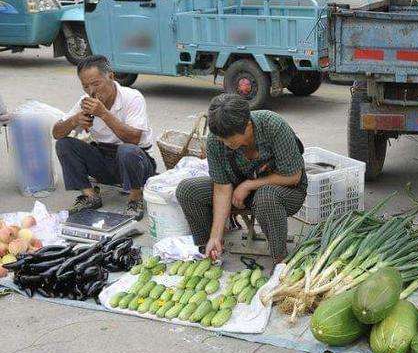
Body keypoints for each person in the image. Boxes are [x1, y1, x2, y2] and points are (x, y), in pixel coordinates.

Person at [176, 94, 307, 264]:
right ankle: (208, 250)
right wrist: (216, 234)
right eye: (220, 139)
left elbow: (293, 177)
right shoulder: (217, 140)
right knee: (188, 190)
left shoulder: (273, 126)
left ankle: (280, 260)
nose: (223, 143)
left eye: (229, 140)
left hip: (285, 190)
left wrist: (250, 185)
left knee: (266, 196)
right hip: (239, 191)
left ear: (247, 125)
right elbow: (222, 188)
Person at [52, 55, 155, 220]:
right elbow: (56, 133)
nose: (91, 91)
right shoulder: (85, 102)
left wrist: (104, 114)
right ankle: (90, 195)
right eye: (85, 86)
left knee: (127, 150)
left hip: (137, 161)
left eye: (96, 83)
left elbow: (134, 138)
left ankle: (135, 198)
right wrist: (74, 120)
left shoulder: (132, 97)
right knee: (64, 144)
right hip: (104, 159)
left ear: (111, 77)